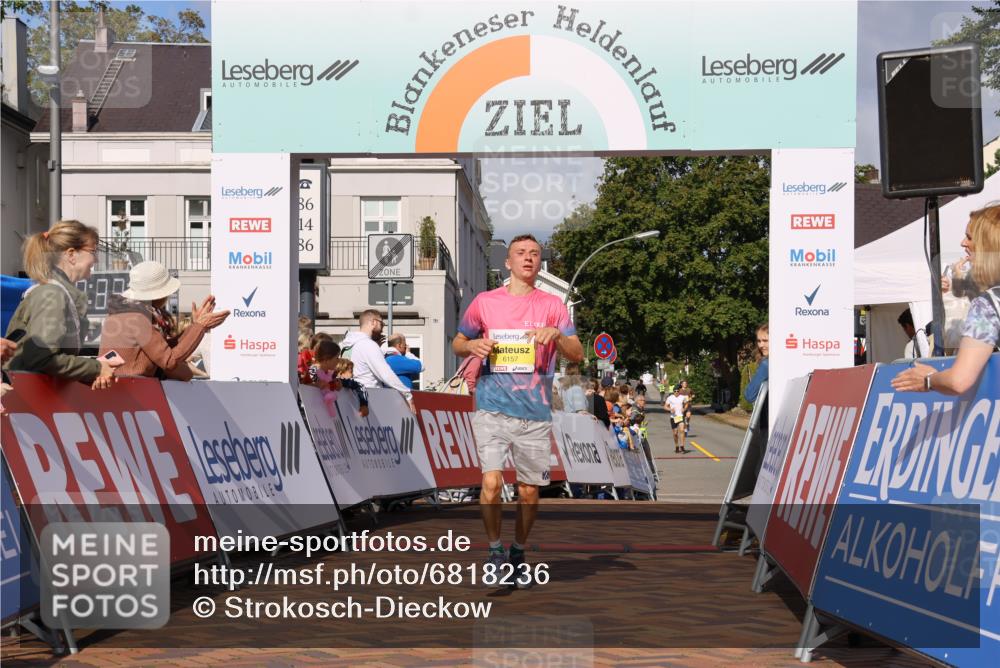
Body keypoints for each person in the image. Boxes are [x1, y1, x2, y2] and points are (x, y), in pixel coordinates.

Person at [452, 233, 583, 588]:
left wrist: (555, 335)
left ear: (540, 263)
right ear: (507, 263)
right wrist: (473, 345)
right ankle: (494, 551)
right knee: (491, 483)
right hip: (491, 408)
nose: (528, 258)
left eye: (535, 254)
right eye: (520, 253)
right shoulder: (484, 302)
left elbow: (578, 353)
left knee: (528, 493)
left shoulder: (553, 306)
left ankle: (518, 550)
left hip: (534, 412)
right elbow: (458, 341)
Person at [892, 205, 1000, 394]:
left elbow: (960, 380)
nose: (962, 243)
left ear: (988, 244)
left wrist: (929, 379)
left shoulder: (989, 305)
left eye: (969, 237)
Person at [5, 221, 122, 389]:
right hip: (23, 399)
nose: (95, 259)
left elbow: (50, 360)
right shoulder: (53, 294)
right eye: (93, 251)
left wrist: (91, 373)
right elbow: (41, 358)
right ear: (71, 255)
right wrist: (95, 368)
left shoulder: (58, 292)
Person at [98, 262, 228, 380]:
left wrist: (195, 326)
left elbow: (162, 349)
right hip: (132, 390)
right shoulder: (138, 318)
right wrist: (200, 326)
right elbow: (169, 361)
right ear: (158, 295)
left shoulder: (122, 313)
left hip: (122, 388)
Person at [341, 309, 414, 412]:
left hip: (350, 399)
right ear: (373, 322)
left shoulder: (347, 344)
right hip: (370, 402)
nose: (382, 329)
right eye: (382, 324)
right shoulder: (368, 345)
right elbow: (385, 374)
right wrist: (407, 394)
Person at [744, 323, 769, 403]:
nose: (761, 345)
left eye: (765, 341)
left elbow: (749, 395)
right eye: (759, 341)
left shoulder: (766, 365)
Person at [665, 384, 688, 454]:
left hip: (680, 416)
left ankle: (682, 446)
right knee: (675, 433)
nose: (676, 392)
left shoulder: (682, 397)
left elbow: (687, 403)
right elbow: (665, 406)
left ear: (679, 391)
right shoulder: (670, 398)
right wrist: (670, 409)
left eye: (678, 391)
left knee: (682, 430)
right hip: (673, 417)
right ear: (673, 392)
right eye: (675, 391)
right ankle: (677, 446)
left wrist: (684, 408)